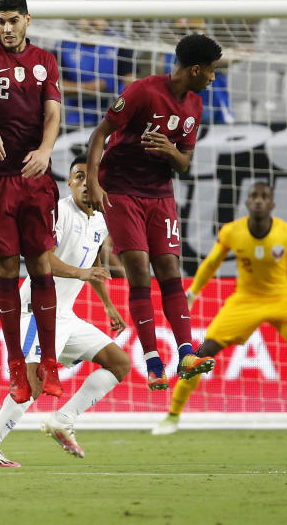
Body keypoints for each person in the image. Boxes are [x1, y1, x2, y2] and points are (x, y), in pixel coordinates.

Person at [152, 181, 287, 435]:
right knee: (203, 352)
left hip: (282, 298)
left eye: (264, 197)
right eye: (253, 196)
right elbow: (211, 264)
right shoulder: (232, 232)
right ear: (247, 203)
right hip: (245, 300)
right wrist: (192, 294)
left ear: (271, 204)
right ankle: (172, 416)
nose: (258, 200)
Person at [85, 33, 223, 389]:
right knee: (139, 269)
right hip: (121, 190)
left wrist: (168, 150)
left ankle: (187, 352)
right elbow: (100, 134)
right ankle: (152, 361)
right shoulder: (142, 91)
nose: (213, 78)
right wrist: (95, 182)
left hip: (160, 193)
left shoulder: (195, 106)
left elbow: (184, 165)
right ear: (195, 69)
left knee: (170, 268)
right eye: (211, 71)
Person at [0, 157, 130, 466]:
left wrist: (108, 305)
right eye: (79, 177)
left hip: (65, 315)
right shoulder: (58, 213)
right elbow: (42, 261)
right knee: (32, 383)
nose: (85, 182)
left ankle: (63, 420)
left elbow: (95, 266)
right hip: (37, 311)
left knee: (119, 363)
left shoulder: (100, 220)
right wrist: (80, 274)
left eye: (91, 177)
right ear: (69, 183)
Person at [0, 0, 66, 400]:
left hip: (35, 175)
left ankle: (50, 362)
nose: (6, 29)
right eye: (0, 21)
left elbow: (53, 113)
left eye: (13, 21)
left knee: (41, 264)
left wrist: (45, 151)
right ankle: (16, 367)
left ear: (28, 20)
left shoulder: (45, 61)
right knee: (6, 267)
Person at [57, 19, 138, 129]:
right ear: (77, 20)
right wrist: (85, 87)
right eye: (86, 16)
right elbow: (53, 84)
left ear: (105, 21)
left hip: (113, 120)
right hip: (76, 121)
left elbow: (131, 82)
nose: (92, 22)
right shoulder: (64, 45)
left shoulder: (119, 43)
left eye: (98, 17)